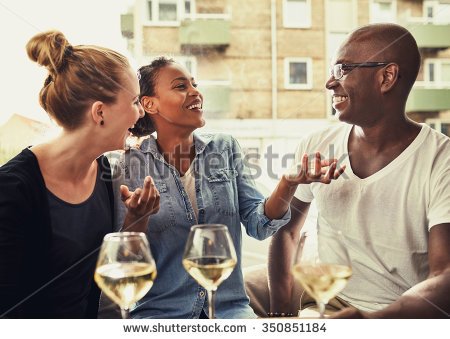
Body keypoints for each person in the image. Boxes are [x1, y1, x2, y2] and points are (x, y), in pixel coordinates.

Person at [109, 56, 345, 319]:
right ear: (149, 104)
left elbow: (260, 224)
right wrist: (136, 218)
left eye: (194, 84)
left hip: (229, 311)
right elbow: (126, 261)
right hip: (160, 314)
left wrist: (288, 183)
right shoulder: (131, 163)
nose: (195, 92)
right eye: (180, 86)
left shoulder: (224, 148)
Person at [245, 23, 450, 318]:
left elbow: (444, 276)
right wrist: (281, 317)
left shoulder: (441, 159)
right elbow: (287, 231)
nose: (330, 83)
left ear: (386, 77)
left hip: (401, 316)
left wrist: (368, 322)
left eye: (342, 70)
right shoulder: (317, 144)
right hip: (327, 301)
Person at [0, 31, 159, 318]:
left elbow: (106, 272)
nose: (140, 114)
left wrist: (136, 221)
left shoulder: (103, 172)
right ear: (100, 113)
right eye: (135, 102)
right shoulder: (12, 189)